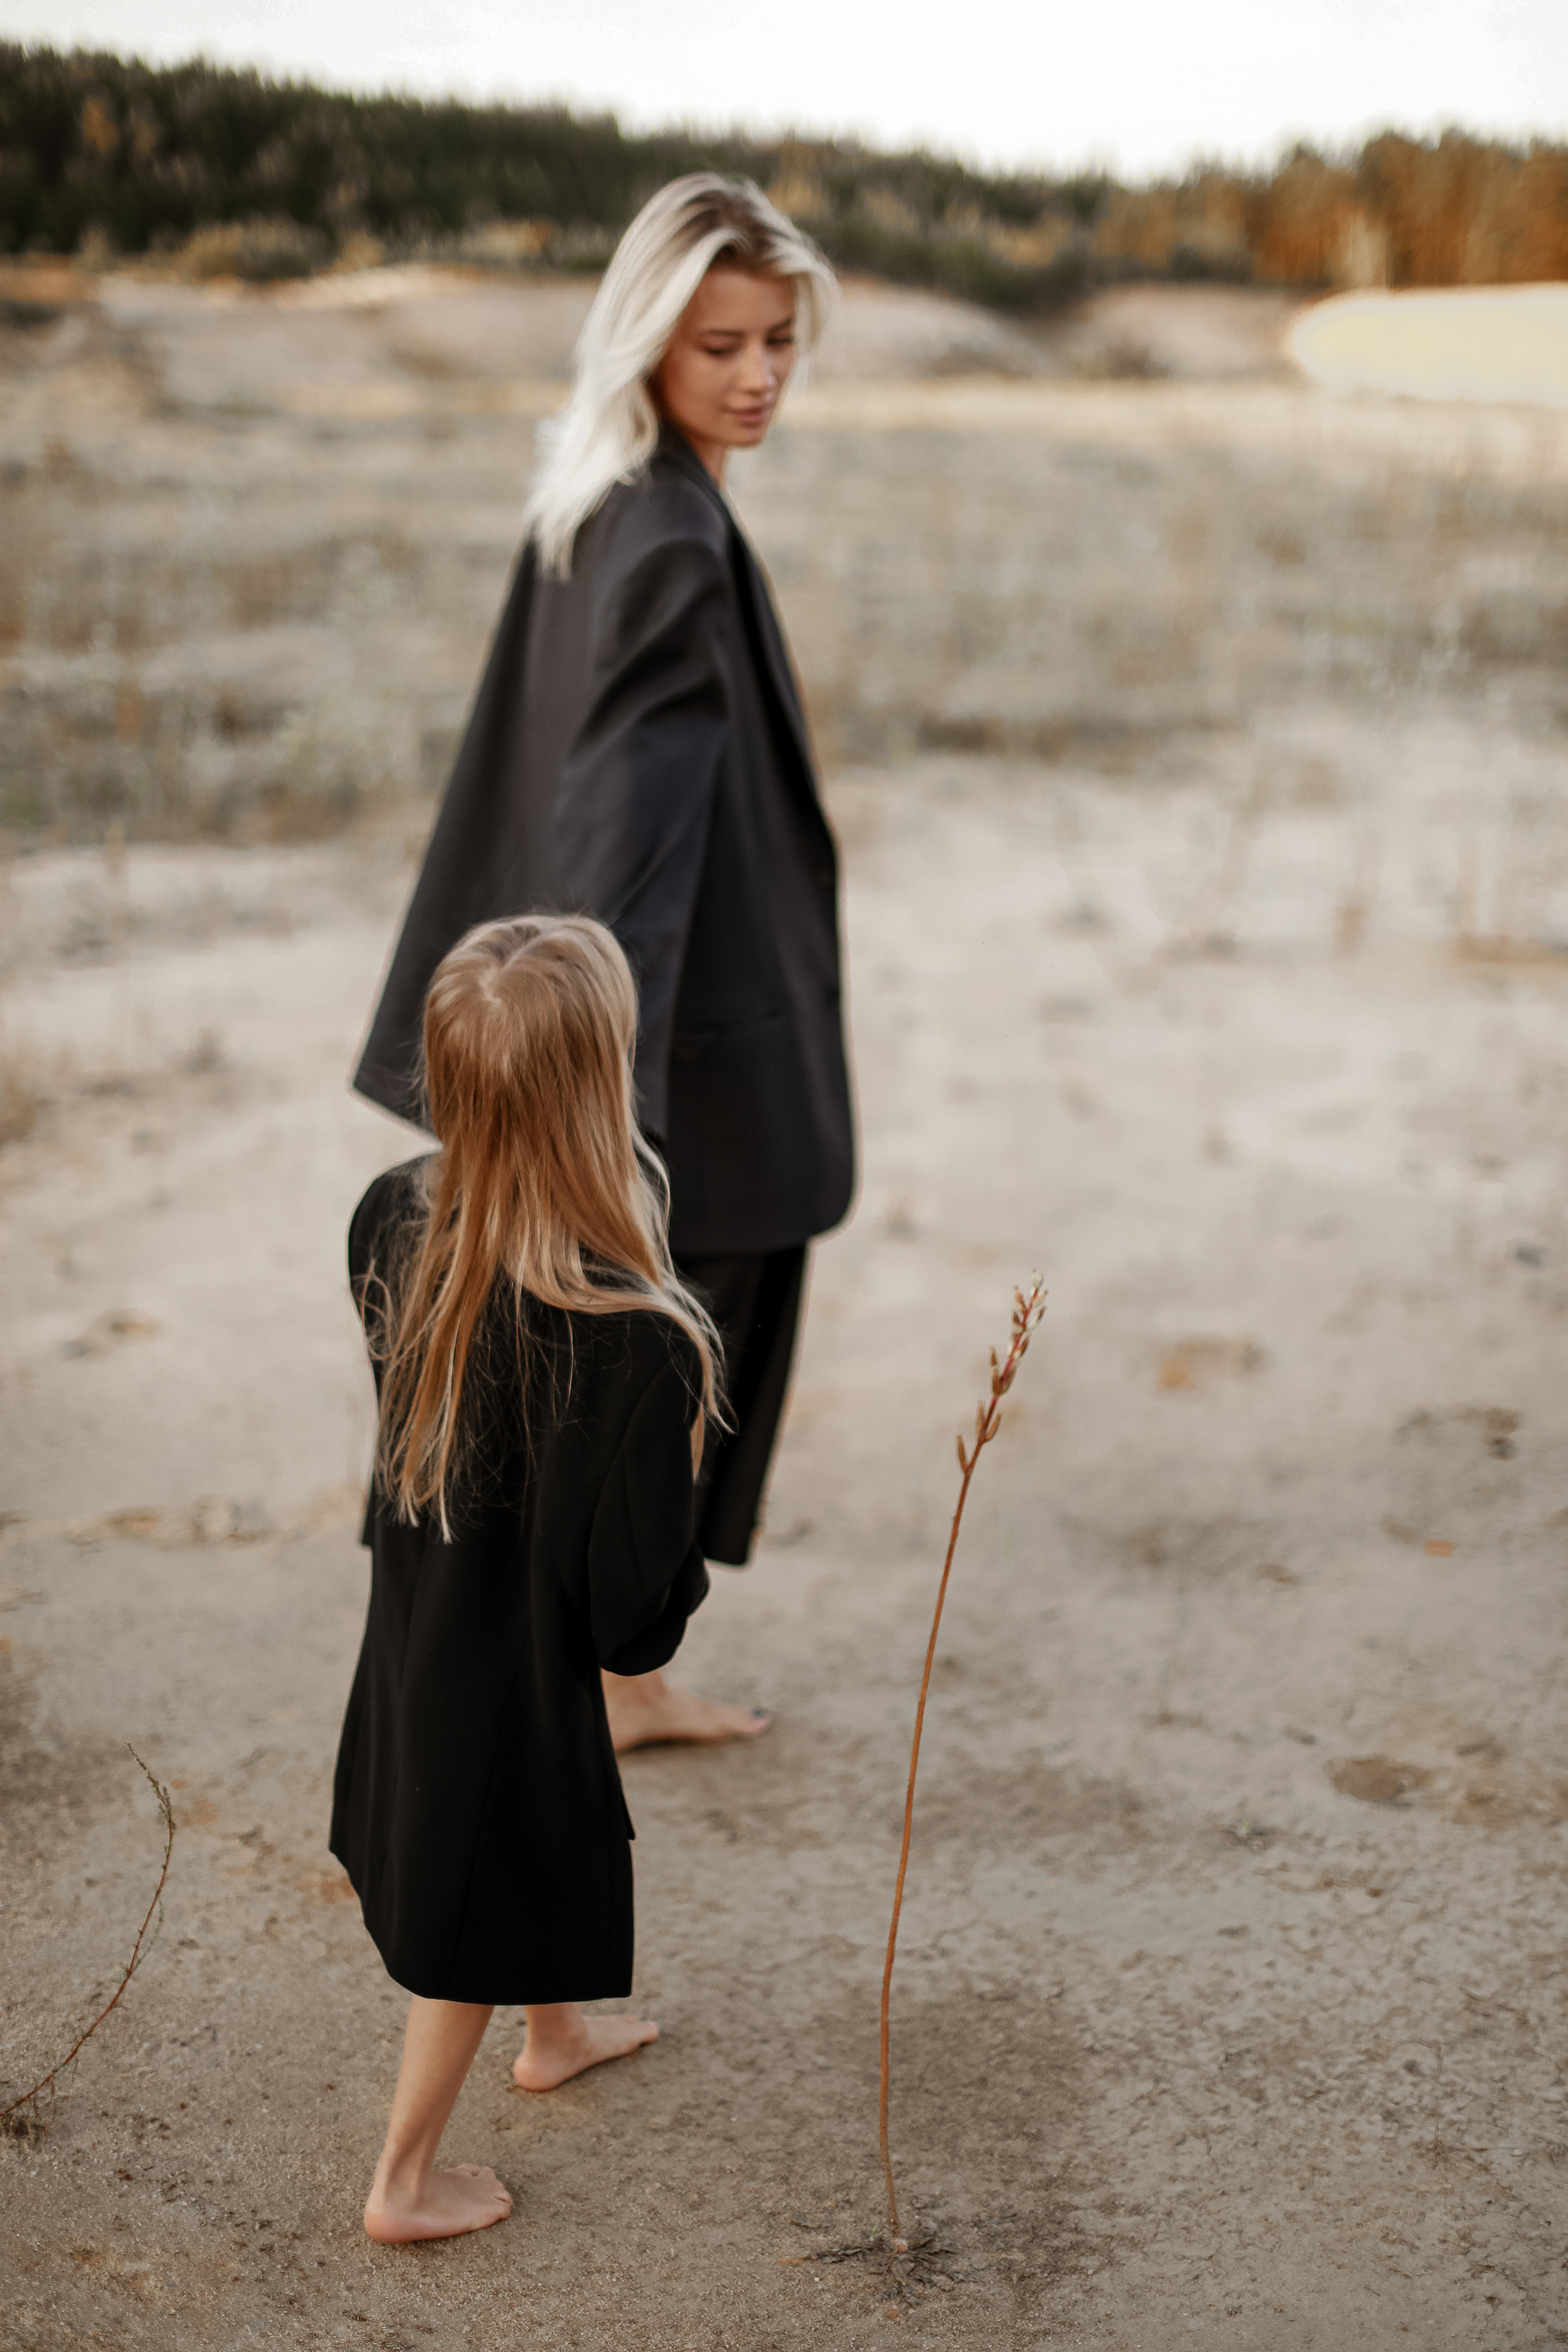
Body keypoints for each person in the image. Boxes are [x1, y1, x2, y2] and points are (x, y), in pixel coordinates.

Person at [352, 176, 856, 1754]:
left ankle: (620, 1691)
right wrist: (602, 1138)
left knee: (583, 1415)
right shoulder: (668, 545)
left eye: (779, 340)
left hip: (604, 1050)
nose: (758, 375)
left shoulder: (600, 497)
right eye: (719, 344)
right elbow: (616, 860)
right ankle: (576, 1711)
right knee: (633, 1417)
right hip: (667, 1075)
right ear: (648, 340)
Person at [333, 913, 720, 2243]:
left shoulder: (391, 1214)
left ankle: (554, 2037)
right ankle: (400, 2180)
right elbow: (629, 1629)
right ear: (603, 1079)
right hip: (510, 1683)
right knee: (470, 1918)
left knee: (539, 1854)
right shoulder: (638, 1338)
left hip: (421, 1629)